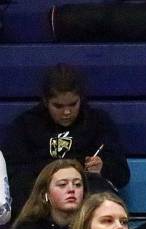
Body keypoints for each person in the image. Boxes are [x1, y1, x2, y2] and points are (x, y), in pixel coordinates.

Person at [4, 64, 129, 213]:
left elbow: (122, 175)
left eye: (73, 104)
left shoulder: (97, 122)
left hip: (85, 202)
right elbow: (13, 174)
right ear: (45, 102)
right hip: (40, 202)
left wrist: (102, 168)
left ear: (81, 99)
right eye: (58, 106)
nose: (67, 112)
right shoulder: (26, 125)